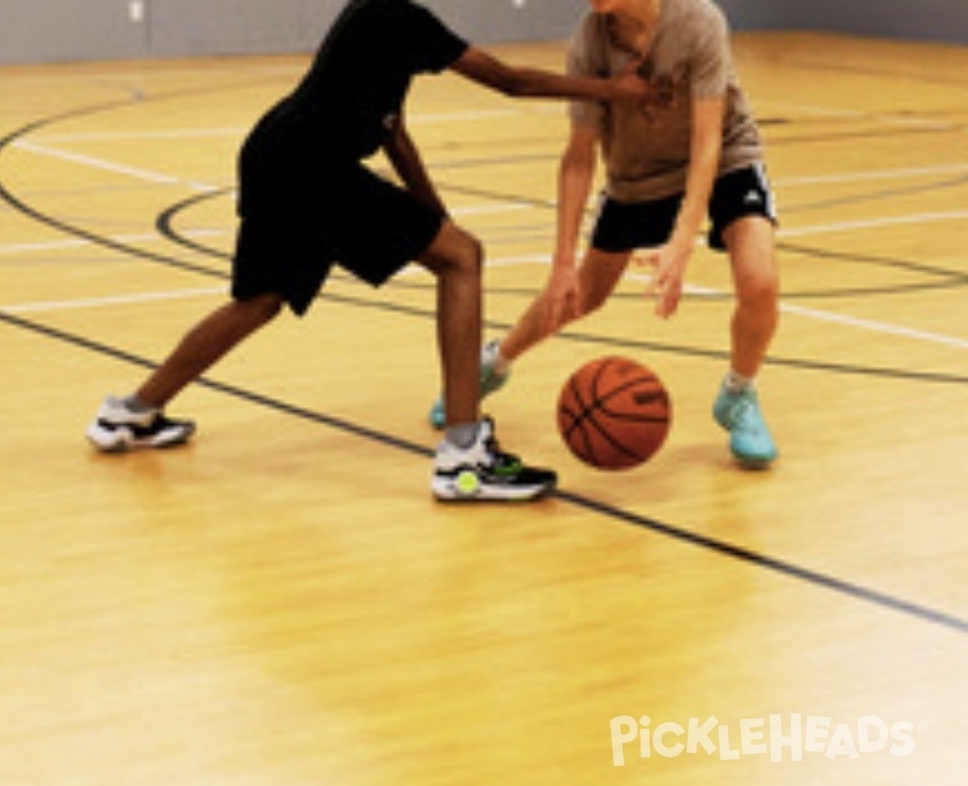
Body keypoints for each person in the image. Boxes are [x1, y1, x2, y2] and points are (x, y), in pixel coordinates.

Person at [85, 0, 654, 500]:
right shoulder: (397, 16)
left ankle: (130, 413)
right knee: (462, 259)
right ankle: (464, 459)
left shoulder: (373, 19)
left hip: (275, 154)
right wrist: (615, 92)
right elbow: (510, 81)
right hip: (312, 168)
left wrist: (438, 219)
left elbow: (393, 133)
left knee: (259, 301)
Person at [429, 0, 780, 469]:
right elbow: (578, 157)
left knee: (760, 283)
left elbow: (707, 141)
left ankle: (738, 393)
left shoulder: (698, 21)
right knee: (578, 296)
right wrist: (561, 264)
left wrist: (682, 241)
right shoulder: (591, 41)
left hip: (727, 159)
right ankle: (495, 362)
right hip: (635, 175)